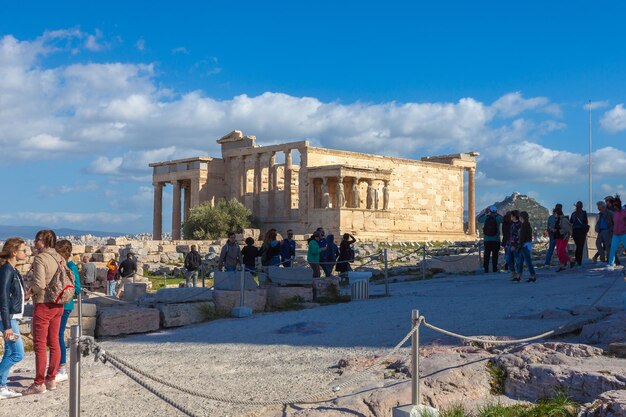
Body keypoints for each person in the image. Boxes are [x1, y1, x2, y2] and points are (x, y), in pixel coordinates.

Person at [23, 229, 65, 395]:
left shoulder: (40, 258)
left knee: (40, 345)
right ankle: (51, 379)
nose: (34, 242)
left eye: (37, 239)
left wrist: (28, 293)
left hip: (44, 303)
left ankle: (39, 382)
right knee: (54, 342)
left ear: (44, 241)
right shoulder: (59, 257)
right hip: (59, 304)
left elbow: (40, 283)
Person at [0, 238, 28, 399]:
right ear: (14, 252)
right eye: (24, 250)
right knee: (18, 354)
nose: (26, 253)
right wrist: (7, 326)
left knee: (9, 351)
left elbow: (12, 295)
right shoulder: (6, 270)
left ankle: (2, 386)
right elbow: (3, 298)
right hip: (8, 319)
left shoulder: (13, 270)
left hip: (11, 317)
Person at [54, 240, 81, 383]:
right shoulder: (64, 265)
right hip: (58, 305)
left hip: (65, 306)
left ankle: (62, 368)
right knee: (55, 335)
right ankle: (57, 366)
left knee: (58, 335)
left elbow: (77, 288)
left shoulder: (71, 266)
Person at [478, 206, 503, 273]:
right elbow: (503, 219)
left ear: (490, 211)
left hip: (487, 239)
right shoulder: (498, 218)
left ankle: (486, 269)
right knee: (495, 255)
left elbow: (479, 219)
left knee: (486, 254)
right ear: (495, 211)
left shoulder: (486, 218)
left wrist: (485, 213)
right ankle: (494, 269)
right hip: (496, 239)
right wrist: (497, 213)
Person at [514, 211, 536, 282]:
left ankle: (533, 276)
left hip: (524, 245)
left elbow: (522, 237)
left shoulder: (524, 225)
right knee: (521, 261)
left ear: (521, 217)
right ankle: (519, 276)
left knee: (528, 261)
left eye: (520, 216)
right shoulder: (527, 224)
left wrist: (520, 245)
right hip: (527, 244)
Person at [607, 195, 626, 271]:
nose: (614, 207)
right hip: (616, 234)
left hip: (624, 233)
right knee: (612, 249)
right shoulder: (615, 213)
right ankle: (611, 264)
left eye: (615, 205)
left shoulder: (624, 212)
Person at [570, 201, 589, 267]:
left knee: (578, 246)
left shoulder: (573, 214)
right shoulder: (584, 213)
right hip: (582, 232)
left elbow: (571, 222)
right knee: (580, 247)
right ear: (582, 206)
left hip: (575, 232)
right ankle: (579, 262)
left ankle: (576, 260)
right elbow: (586, 222)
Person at [554, 207, 573, 272]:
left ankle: (571, 260)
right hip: (558, 237)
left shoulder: (564, 220)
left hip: (563, 237)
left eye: (555, 213)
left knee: (560, 251)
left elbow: (566, 229)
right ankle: (562, 265)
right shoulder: (557, 219)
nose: (554, 215)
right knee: (558, 252)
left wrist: (557, 230)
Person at [507, 211, 521, 280]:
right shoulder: (512, 224)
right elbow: (510, 235)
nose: (510, 217)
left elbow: (518, 236)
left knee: (517, 259)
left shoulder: (519, 224)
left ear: (514, 216)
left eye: (511, 216)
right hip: (510, 244)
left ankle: (519, 274)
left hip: (516, 245)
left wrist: (514, 245)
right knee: (508, 258)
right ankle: (513, 272)